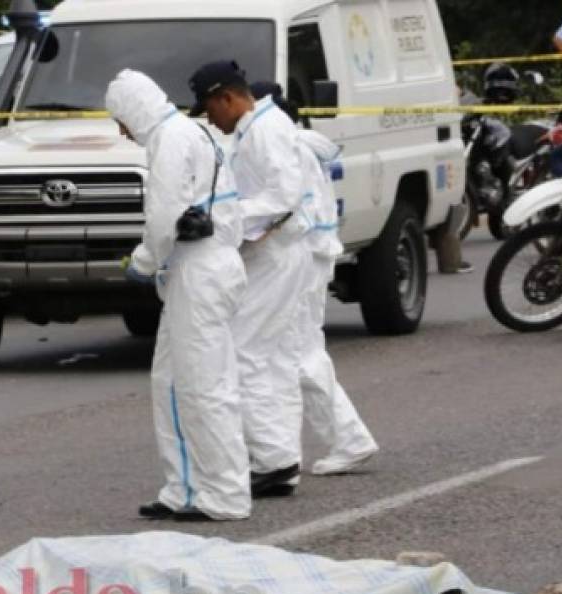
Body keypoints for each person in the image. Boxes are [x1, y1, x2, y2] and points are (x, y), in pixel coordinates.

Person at [104, 69, 251, 522]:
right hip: (204, 267)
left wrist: (143, 261)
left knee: (204, 387)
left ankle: (224, 493)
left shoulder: (171, 140)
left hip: (199, 271)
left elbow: (165, 211)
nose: (120, 130)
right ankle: (183, 487)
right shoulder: (193, 134)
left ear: (134, 110)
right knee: (169, 383)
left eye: (120, 119)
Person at [188, 62, 311, 498]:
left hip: (274, 254)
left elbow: (283, 197)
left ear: (227, 98)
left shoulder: (264, 129)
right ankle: (280, 459)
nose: (208, 119)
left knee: (244, 355)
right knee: (272, 358)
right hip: (272, 253)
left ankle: (273, 460)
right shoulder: (253, 128)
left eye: (208, 109)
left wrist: (223, 217)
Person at [249, 81, 379, 475]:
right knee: (298, 353)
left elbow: (281, 210)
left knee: (298, 355)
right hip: (314, 254)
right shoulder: (303, 143)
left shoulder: (285, 147)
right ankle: (337, 440)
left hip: (300, 257)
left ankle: (344, 440)